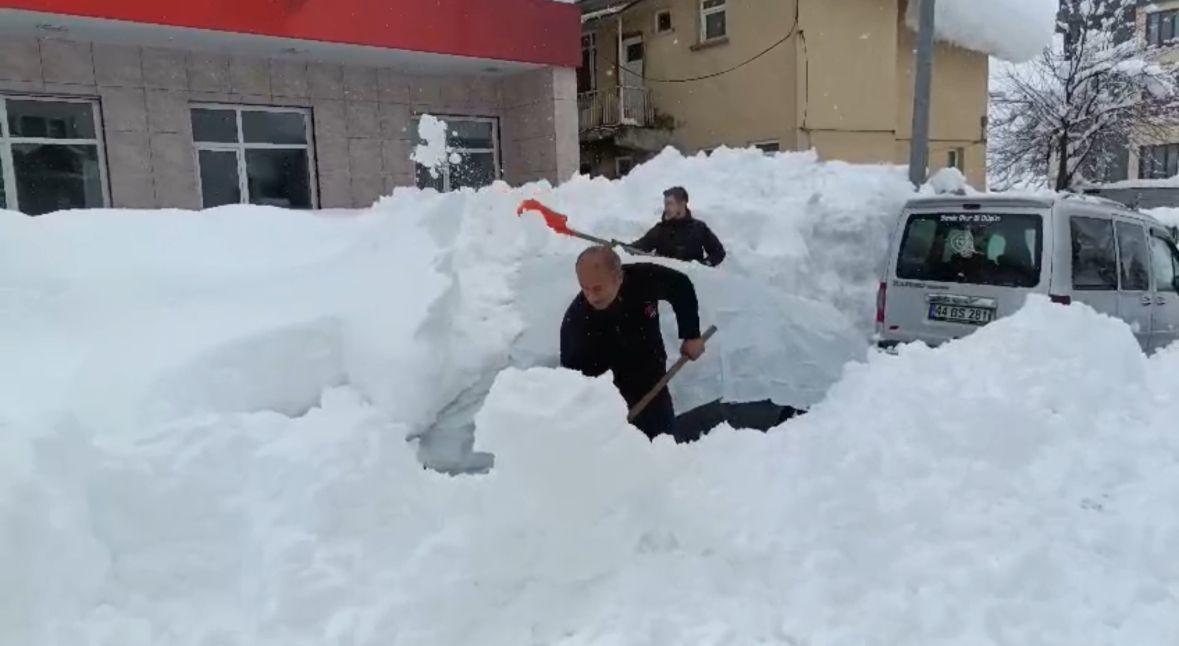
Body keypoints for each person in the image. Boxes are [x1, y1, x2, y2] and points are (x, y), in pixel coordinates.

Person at [560, 245, 707, 442]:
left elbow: (680, 285)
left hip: (653, 384)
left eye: (597, 288)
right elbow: (574, 381)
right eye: (585, 288)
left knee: (665, 450)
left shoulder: (643, 280)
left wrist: (692, 335)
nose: (591, 296)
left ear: (618, 278)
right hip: (613, 406)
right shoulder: (577, 324)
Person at [630, 186, 726, 266]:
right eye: (665, 204)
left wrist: (703, 265)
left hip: (692, 284)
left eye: (670, 204)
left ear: (682, 204)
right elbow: (638, 247)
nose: (666, 208)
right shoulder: (660, 229)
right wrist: (620, 248)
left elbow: (718, 252)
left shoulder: (698, 228)